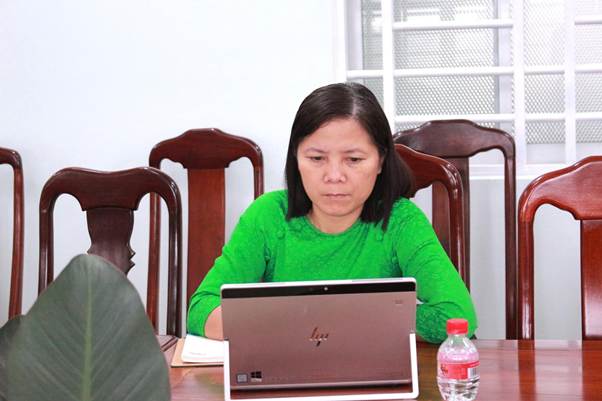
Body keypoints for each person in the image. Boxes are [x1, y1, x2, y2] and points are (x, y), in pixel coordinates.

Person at [187, 82, 477, 343]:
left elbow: (457, 316)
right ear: (296, 159)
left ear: (380, 161)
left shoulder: (400, 220)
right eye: (316, 158)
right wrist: (330, 320)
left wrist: (328, 319)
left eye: (354, 159)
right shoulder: (268, 215)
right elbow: (201, 309)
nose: (334, 176)